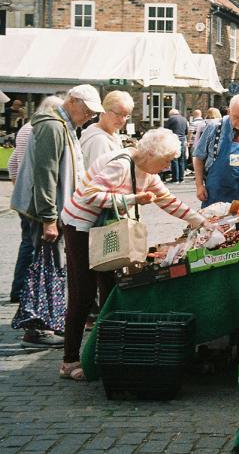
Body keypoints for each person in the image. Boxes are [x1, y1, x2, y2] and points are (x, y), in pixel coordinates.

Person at [59, 128, 208, 381]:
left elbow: (168, 201)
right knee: (83, 293)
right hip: (81, 228)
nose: (168, 166)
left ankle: (102, 354)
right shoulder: (120, 165)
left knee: (110, 290)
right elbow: (89, 195)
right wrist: (132, 199)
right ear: (151, 154)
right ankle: (69, 360)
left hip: (106, 231)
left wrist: (202, 222)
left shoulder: (148, 173)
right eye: (166, 160)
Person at [9, 85, 103, 348]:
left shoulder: (64, 125)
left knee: (51, 266)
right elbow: (46, 174)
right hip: (45, 212)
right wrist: (49, 218)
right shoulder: (53, 126)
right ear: (72, 102)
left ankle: (46, 323)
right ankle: (37, 328)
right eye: (87, 110)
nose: (89, 116)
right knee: (46, 268)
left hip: (54, 210)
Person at [7, 96, 63, 306]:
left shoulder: (26, 129)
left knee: (27, 243)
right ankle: (25, 291)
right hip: (36, 196)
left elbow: (13, 163)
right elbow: (42, 169)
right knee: (35, 247)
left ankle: (19, 289)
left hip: (26, 195)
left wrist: (18, 188)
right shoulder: (42, 129)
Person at [80, 90, 134, 167]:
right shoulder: (99, 141)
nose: (122, 120)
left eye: (125, 116)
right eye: (117, 115)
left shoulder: (112, 136)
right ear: (104, 111)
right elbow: (100, 173)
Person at [163, 108, 189, 183]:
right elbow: (186, 132)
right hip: (182, 140)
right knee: (181, 159)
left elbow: (165, 130)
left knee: (174, 159)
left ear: (171, 114)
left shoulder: (171, 119)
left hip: (173, 140)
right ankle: (181, 178)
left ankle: (175, 178)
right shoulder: (184, 119)